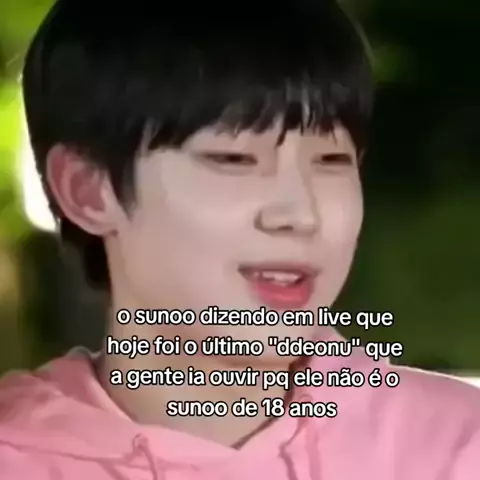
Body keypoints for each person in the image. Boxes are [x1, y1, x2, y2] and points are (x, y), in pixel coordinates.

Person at [1, 1, 479, 479]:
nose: (301, 214)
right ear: (87, 190)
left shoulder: (454, 446)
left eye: (332, 160)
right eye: (234, 159)